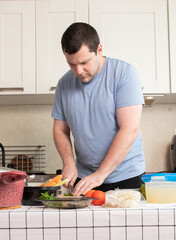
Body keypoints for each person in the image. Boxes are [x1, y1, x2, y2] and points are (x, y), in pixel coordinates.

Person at [52, 22, 145, 196]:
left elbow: (129, 129)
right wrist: (69, 162)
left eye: (84, 62)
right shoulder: (64, 84)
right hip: (85, 179)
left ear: (99, 50)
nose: (78, 71)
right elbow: (60, 130)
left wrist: (101, 174)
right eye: (71, 64)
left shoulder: (124, 74)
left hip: (126, 176)